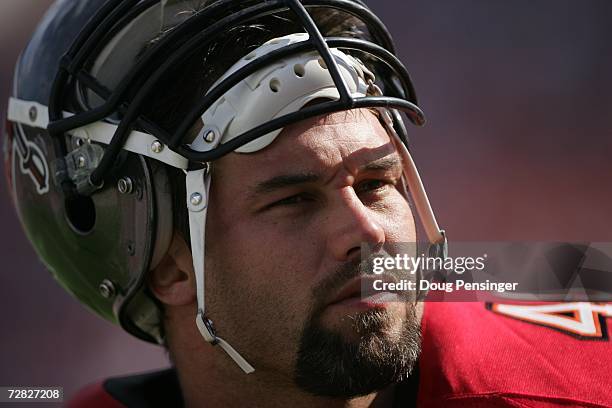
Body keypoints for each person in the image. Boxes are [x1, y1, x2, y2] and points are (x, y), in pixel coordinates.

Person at [4, 1, 611, 407]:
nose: (368, 233)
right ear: (169, 265)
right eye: (295, 200)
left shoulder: (565, 377)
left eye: (377, 182)